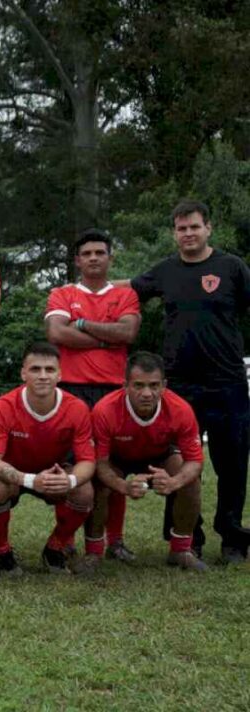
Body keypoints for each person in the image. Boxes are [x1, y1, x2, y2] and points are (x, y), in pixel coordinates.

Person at [128, 200, 250, 564]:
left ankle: (232, 538)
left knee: (232, 463)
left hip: (227, 380)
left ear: (208, 228)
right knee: (178, 461)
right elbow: (129, 290)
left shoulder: (231, 268)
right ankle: (187, 537)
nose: (188, 234)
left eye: (194, 227)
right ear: (174, 233)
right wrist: (87, 290)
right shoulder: (165, 271)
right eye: (181, 229)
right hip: (179, 385)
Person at [45, 228, 141, 562]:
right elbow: (57, 332)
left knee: (112, 465)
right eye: (87, 254)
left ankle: (114, 541)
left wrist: (82, 324)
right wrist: (106, 338)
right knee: (71, 466)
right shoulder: (61, 292)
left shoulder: (125, 296)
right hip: (71, 389)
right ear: (77, 260)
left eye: (100, 252)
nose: (94, 258)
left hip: (114, 389)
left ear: (110, 258)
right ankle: (68, 536)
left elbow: (128, 331)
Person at [0, 342, 96, 576]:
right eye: (35, 369)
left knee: (84, 492)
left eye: (49, 370)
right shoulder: (2, 406)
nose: (43, 376)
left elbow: (88, 461)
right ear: (23, 372)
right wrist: (31, 480)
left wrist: (69, 480)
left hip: (53, 473)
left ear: (60, 374)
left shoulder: (77, 408)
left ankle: (55, 547)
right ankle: (2, 551)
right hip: (16, 474)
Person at [86, 352, 207, 571]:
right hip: (117, 457)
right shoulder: (104, 410)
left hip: (160, 455)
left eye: (154, 385)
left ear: (164, 385)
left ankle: (180, 550)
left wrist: (175, 482)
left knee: (191, 480)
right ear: (125, 385)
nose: (147, 393)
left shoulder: (180, 409)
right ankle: (93, 552)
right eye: (138, 385)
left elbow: (195, 460)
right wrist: (122, 485)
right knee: (97, 483)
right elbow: (101, 464)